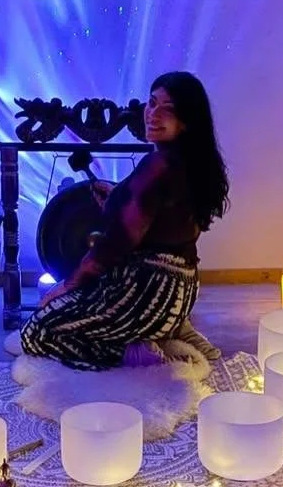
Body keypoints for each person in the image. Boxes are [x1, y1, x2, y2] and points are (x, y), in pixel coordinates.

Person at [20, 71, 230, 370]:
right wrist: (120, 197)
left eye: (166, 109)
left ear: (186, 120)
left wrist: (65, 286)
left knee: (36, 333)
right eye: (151, 103)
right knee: (82, 307)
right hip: (179, 291)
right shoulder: (193, 162)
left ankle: (131, 355)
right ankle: (170, 328)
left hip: (146, 291)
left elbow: (114, 245)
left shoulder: (159, 165)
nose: (152, 114)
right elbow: (164, 219)